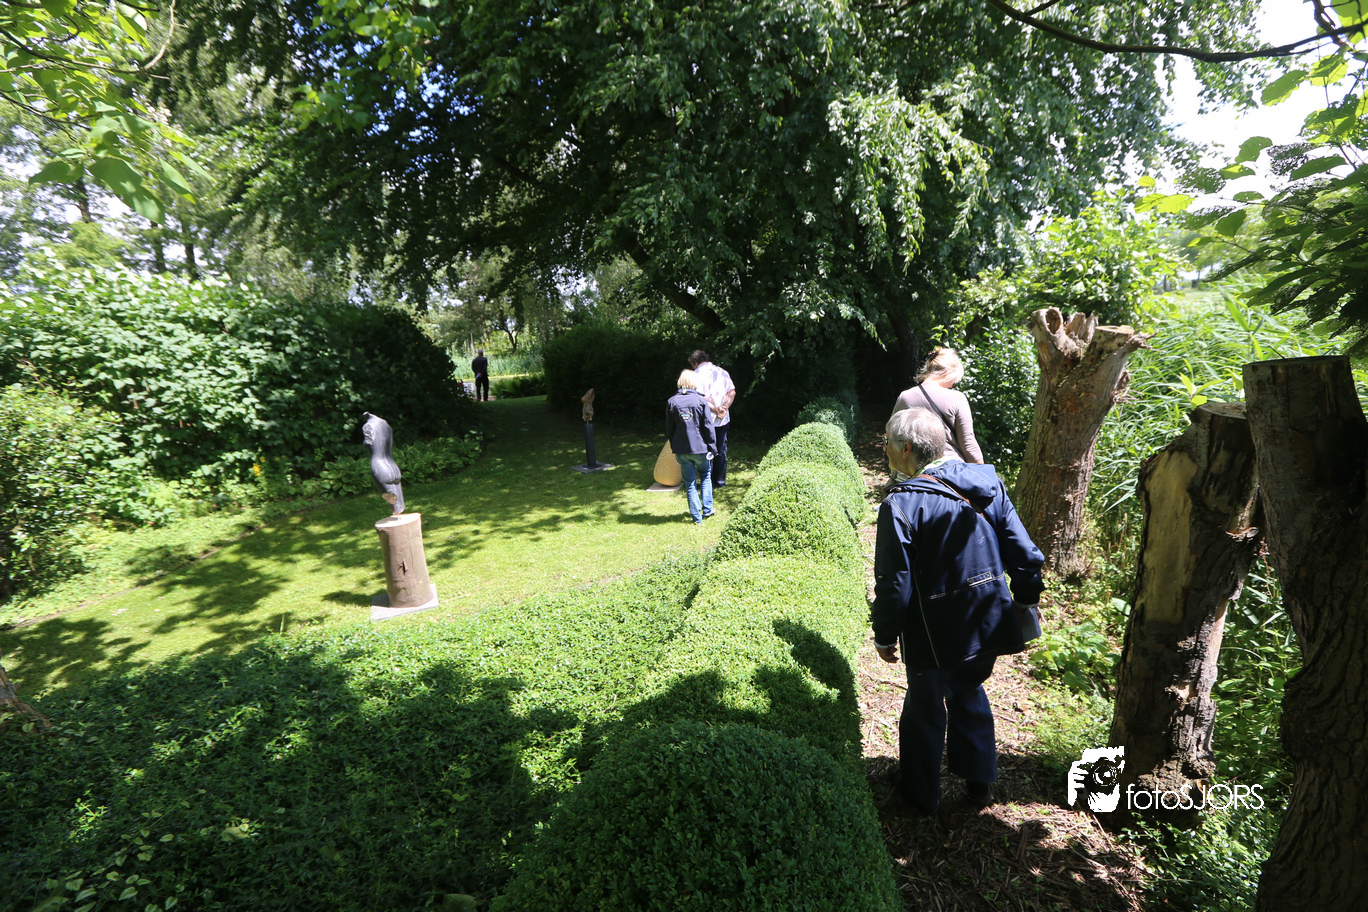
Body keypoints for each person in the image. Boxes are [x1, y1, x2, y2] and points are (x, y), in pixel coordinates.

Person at [871, 407, 1044, 814]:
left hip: (933, 631)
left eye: (887, 443)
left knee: (924, 709)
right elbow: (1023, 553)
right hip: (986, 617)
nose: (884, 450)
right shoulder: (987, 483)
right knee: (969, 690)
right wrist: (1025, 600)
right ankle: (979, 786)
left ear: (906, 449)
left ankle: (919, 795)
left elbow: (894, 583)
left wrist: (884, 633)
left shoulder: (902, 503)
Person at [891, 347, 983, 465]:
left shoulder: (905, 397)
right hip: (950, 468)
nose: (952, 385)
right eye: (954, 380)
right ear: (948, 372)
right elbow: (968, 443)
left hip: (913, 468)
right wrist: (982, 471)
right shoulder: (957, 398)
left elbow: (893, 436)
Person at [666, 370, 717, 524]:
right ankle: (707, 509)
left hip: (682, 449)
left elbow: (670, 428)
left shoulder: (672, 401)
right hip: (701, 448)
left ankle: (696, 518)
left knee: (690, 483)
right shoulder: (700, 401)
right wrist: (712, 446)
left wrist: (673, 444)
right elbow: (708, 426)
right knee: (706, 475)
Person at [688, 349, 736, 486]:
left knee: (705, 450)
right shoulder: (722, 372)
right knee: (721, 449)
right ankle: (719, 481)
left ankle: (707, 482)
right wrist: (724, 407)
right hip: (722, 418)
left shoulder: (695, 375)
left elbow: (699, 398)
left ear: (695, 362)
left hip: (705, 419)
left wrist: (715, 409)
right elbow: (731, 392)